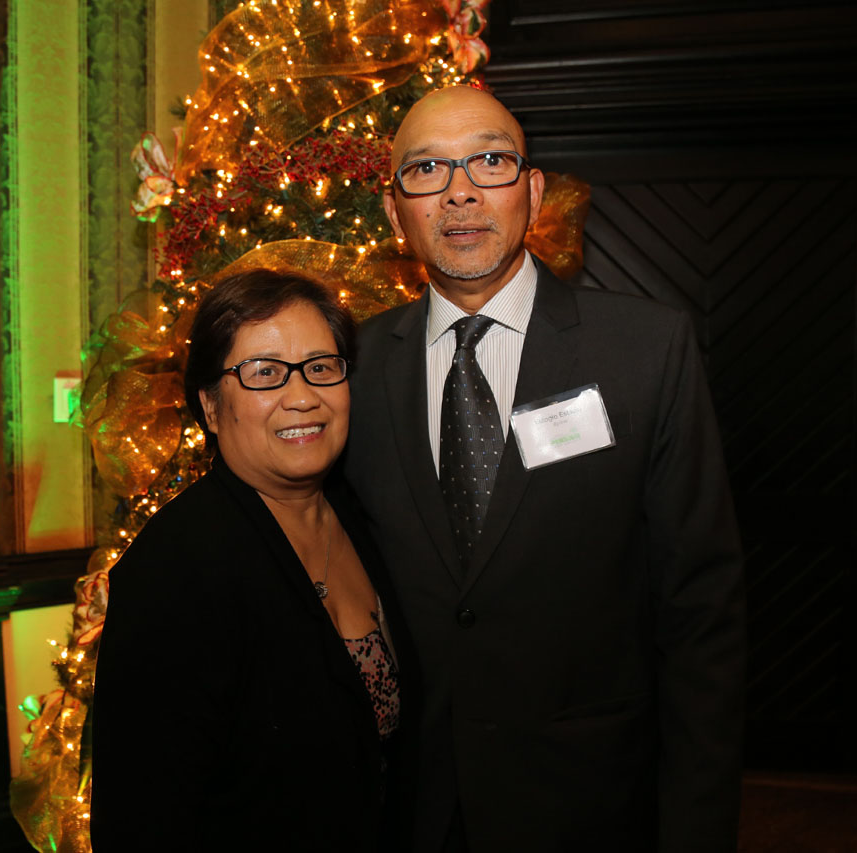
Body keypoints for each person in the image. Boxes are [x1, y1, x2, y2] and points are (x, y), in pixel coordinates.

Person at [344, 86, 745, 851]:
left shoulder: (647, 353)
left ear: (532, 193)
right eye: (427, 169)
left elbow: (703, 618)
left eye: (489, 161)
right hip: (409, 811)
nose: (460, 191)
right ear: (396, 213)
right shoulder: (350, 371)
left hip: (591, 804)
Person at [91, 270, 414, 852]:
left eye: (321, 366)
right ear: (212, 407)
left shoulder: (362, 515)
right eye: (264, 372)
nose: (302, 395)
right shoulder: (173, 573)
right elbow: (141, 821)